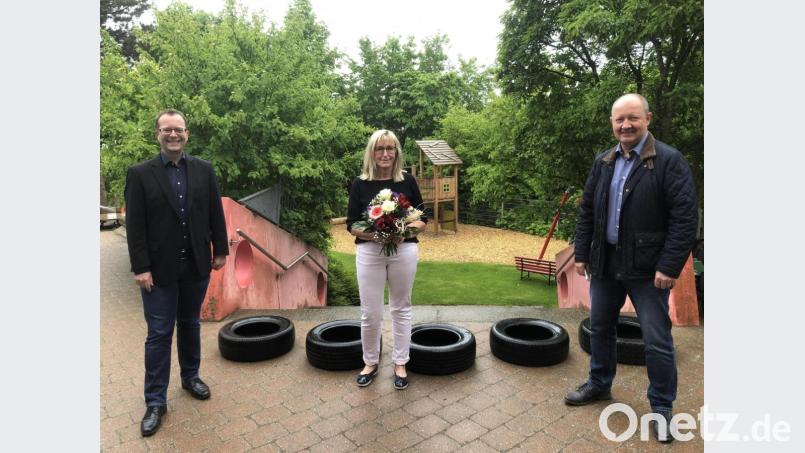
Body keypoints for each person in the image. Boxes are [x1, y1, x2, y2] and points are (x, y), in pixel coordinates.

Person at [565, 94, 698, 443]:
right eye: (619, 119)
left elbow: (685, 220)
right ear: (612, 123)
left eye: (633, 118)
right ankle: (598, 384)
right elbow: (587, 211)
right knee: (600, 329)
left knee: (656, 340)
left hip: (649, 270)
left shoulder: (669, 161)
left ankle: (662, 408)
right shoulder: (604, 161)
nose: (625, 125)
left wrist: (669, 265)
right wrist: (582, 252)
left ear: (648, 118)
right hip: (606, 263)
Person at [124, 109, 229, 437]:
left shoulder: (204, 170)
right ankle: (155, 401)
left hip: (196, 264)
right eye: (167, 130)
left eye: (179, 130)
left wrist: (221, 249)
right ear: (157, 133)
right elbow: (136, 225)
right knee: (158, 334)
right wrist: (140, 267)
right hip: (158, 271)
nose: (174, 135)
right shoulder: (140, 174)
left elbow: (215, 211)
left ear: (187, 134)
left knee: (190, 324)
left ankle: (190, 377)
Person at [346, 129, 427, 390]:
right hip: (370, 252)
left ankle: (400, 362)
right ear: (372, 152)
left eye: (390, 148)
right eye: (379, 149)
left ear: (396, 152)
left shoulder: (407, 181)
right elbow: (351, 225)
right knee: (370, 313)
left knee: (401, 308)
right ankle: (370, 362)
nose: (385, 154)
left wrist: (402, 233)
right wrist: (376, 234)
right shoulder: (360, 183)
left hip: (403, 250)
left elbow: (422, 219)